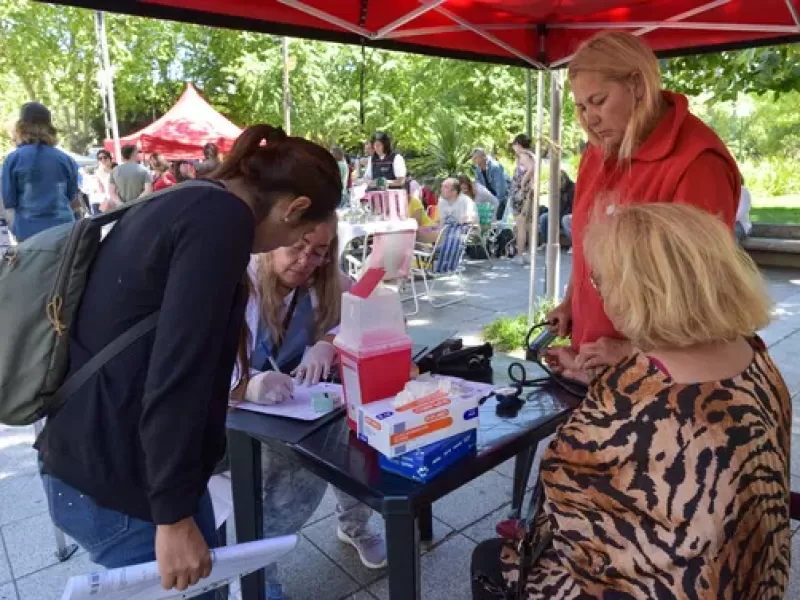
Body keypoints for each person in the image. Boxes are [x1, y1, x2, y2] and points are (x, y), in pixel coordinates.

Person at [35, 124, 342, 597]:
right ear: (294, 208)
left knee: (211, 581)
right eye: (299, 235)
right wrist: (174, 517)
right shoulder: (222, 223)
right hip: (117, 479)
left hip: (101, 460)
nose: (296, 251)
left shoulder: (190, 199)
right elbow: (180, 374)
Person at [471, 202, 791, 599]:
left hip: (667, 584)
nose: (601, 294)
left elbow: (561, 489)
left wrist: (613, 389)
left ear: (643, 291)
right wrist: (607, 377)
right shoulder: (754, 354)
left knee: (489, 558)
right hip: (751, 573)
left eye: (603, 282)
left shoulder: (635, 407)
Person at [545, 31, 740, 369]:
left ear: (637, 86)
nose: (589, 119)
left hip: (663, 382)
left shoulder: (698, 164)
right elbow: (589, 246)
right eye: (581, 107)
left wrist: (631, 351)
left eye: (598, 101)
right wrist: (572, 302)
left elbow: (704, 306)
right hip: (593, 368)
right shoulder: (598, 150)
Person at [216, 220, 387, 599]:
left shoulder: (325, 278)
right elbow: (202, 364)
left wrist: (329, 341)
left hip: (295, 408)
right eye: (298, 246)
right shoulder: (238, 280)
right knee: (288, 475)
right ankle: (257, 577)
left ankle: (355, 524)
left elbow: (365, 309)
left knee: (358, 431)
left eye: (319, 251)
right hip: (232, 413)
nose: (306, 260)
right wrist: (249, 384)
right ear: (273, 240)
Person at [1, 102, 79, 242]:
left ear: (21, 127)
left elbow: (9, 201)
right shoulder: (66, 160)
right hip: (64, 233)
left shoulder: (12, 160)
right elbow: (71, 197)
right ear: (50, 128)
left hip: (29, 236)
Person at [507, 149, 537, 265]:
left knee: (521, 224)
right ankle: (529, 254)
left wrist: (523, 182)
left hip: (523, 194)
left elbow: (532, 168)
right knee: (528, 225)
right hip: (525, 193)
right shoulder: (531, 155)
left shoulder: (524, 155)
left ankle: (520, 254)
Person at [537, 170, 575, 250]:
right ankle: (546, 242)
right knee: (544, 217)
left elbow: (573, 207)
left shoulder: (573, 188)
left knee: (565, 219)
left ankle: (573, 245)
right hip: (560, 214)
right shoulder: (557, 190)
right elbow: (553, 206)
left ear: (564, 180)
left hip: (571, 214)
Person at [471, 148, 508, 220]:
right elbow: (480, 187)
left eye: (475, 158)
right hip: (491, 197)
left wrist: (496, 204)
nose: (473, 160)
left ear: (483, 157)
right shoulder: (478, 169)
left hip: (502, 198)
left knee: (499, 219)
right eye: (473, 158)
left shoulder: (495, 167)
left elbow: (501, 189)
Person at [408, 180, 439, 244]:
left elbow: (416, 223)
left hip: (426, 228)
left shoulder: (415, 202)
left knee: (414, 232)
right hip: (417, 231)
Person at [736, 175, 753, 244]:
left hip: (741, 225)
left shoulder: (743, 191)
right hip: (725, 224)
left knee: (729, 234)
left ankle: (732, 254)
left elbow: (739, 214)